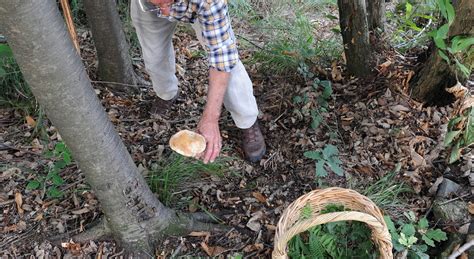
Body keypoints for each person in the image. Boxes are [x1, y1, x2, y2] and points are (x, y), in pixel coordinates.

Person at [131, 0, 266, 164]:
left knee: (231, 67)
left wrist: (210, 118)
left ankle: (247, 120)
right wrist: (156, 4)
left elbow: (222, 58)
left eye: (167, 2)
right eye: (159, 4)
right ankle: (166, 94)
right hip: (145, 7)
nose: (166, 12)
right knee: (154, 57)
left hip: (198, 5)